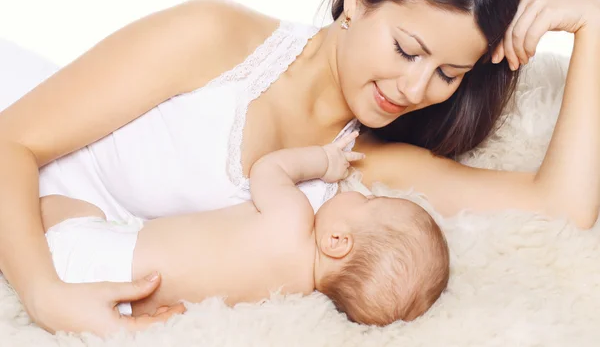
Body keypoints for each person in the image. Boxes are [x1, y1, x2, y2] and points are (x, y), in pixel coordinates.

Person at [0, 0, 598, 336]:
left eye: (448, 73)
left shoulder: (366, 166)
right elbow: (11, 139)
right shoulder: (214, 38)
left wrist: (594, 24)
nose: (415, 91)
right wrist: (44, 294)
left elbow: (560, 210)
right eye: (406, 49)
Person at [40, 132, 450, 327]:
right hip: (130, 303)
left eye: (367, 201)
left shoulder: (293, 221)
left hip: (102, 255)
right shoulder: (292, 295)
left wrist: (323, 161)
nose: (358, 192)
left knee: (45, 204)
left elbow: (268, 170)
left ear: (337, 241)